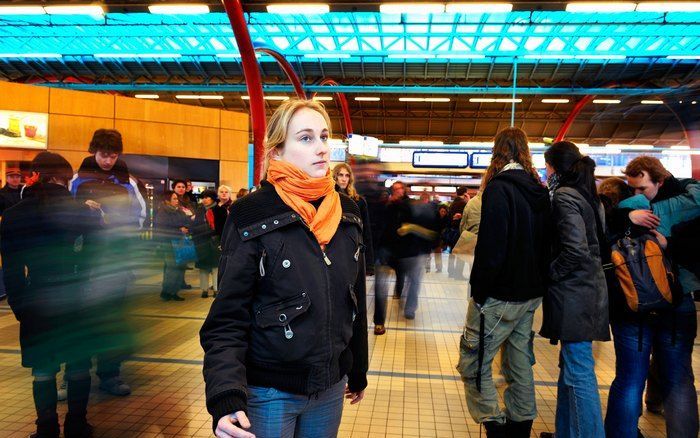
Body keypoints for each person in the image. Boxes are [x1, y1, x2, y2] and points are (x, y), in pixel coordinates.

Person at [200, 99, 368, 438]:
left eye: (324, 136)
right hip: (268, 393)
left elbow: (356, 299)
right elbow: (227, 318)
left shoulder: (347, 212)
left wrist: (357, 368)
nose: (321, 148)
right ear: (277, 150)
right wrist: (225, 395)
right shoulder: (251, 214)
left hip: (331, 389)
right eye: (305, 138)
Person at [457, 127, 550, 438]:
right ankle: (521, 424)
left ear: (497, 152)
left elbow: (492, 247)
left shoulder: (499, 189)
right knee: (518, 362)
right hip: (530, 294)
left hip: (499, 295)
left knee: (473, 362)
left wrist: (480, 293)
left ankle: (495, 426)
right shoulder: (539, 190)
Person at [1, 152, 99, 438]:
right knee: (79, 366)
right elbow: (96, 259)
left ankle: (46, 428)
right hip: (77, 295)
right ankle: (77, 425)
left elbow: (12, 269)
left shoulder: (13, 214)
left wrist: (21, 306)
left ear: (35, 176)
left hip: (37, 297)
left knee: (43, 369)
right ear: (62, 178)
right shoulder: (83, 211)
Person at [604, 156, 699, 438]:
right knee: (676, 380)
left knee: (633, 379)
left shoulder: (631, 209)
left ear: (660, 180)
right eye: (632, 189)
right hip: (671, 303)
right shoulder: (685, 202)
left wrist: (624, 215)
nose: (637, 196)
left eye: (642, 188)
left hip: (637, 306)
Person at [540, 141, 610, 438]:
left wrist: (550, 274)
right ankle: (565, 433)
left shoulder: (565, 197)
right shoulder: (589, 196)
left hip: (575, 294)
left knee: (579, 372)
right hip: (587, 291)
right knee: (571, 368)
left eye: (547, 166)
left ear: (555, 167)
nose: (545, 172)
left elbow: (575, 250)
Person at [69, 128, 141, 398]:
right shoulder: (78, 180)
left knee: (112, 319)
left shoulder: (126, 181)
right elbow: (65, 214)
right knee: (80, 320)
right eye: (103, 155)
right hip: (84, 262)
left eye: (112, 156)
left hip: (115, 262)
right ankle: (73, 376)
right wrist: (81, 210)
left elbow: (139, 214)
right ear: (94, 152)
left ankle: (110, 373)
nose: (108, 161)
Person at [332, 162, 374, 274]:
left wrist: (369, 264)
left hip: (352, 251)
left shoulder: (358, 201)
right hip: (331, 250)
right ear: (335, 177)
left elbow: (366, 233)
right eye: (340, 175)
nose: (344, 179)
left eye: (347, 175)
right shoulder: (328, 199)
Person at [156, 190, 190, 301]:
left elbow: (186, 222)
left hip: (180, 242)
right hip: (169, 242)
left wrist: (185, 227)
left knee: (180, 266)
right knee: (172, 267)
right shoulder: (163, 212)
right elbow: (163, 228)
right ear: (167, 201)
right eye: (174, 199)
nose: (177, 201)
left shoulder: (179, 211)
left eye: (177, 199)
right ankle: (166, 291)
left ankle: (174, 291)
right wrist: (179, 229)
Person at [192, 189, 220, 298]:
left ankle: (216, 289)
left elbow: (221, 227)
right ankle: (204, 290)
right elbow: (195, 226)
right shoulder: (200, 210)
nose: (204, 200)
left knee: (215, 268)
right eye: (203, 197)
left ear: (212, 198)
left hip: (214, 242)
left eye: (207, 197)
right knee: (203, 268)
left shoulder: (218, 210)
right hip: (202, 243)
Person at [447, 186, 470, 280]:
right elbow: (467, 216)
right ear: (465, 193)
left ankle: (451, 272)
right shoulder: (464, 203)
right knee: (461, 253)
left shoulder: (453, 203)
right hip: (460, 231)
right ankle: (458, 274)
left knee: (452, 252)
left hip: (452, 230)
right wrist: (468, 201)